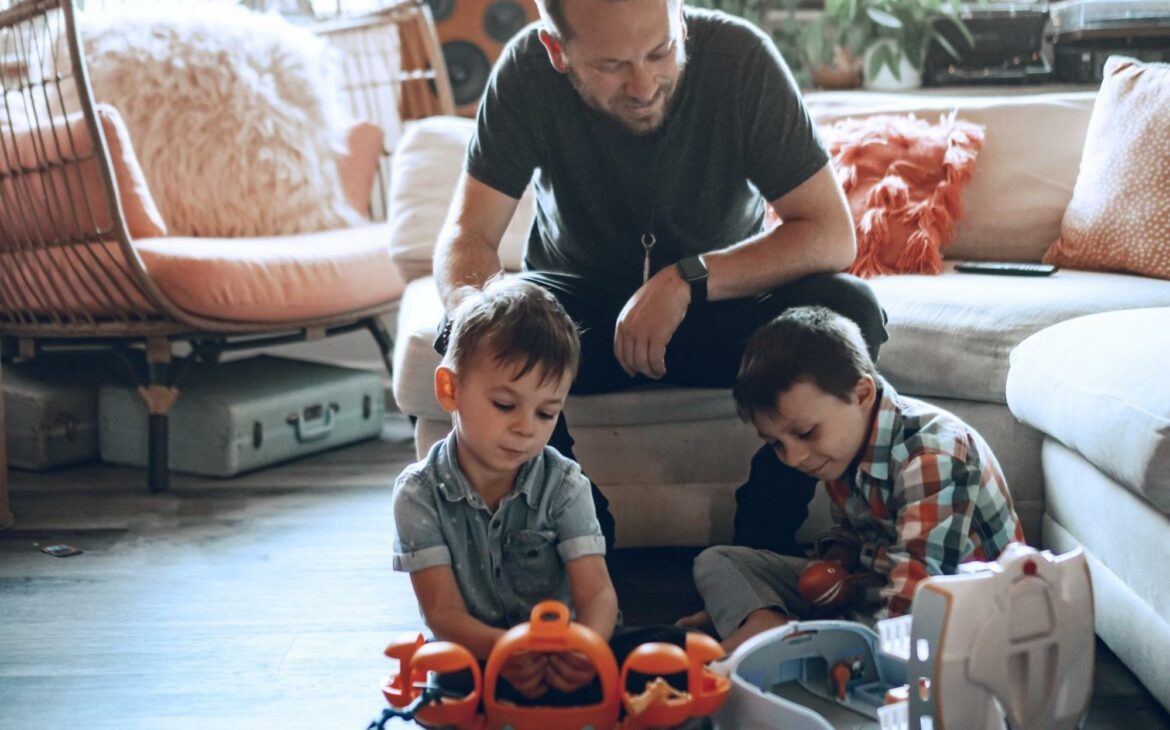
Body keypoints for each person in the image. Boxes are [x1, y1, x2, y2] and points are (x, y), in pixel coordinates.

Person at [432, 0, 889, 555]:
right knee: (471, 322)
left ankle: (763, 539)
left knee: (848, 309)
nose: (644, 85)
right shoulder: (524, 70)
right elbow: (468, 234)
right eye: (611, 66)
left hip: (719, 309)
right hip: (577, 330)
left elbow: (831, 234)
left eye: (661, 51)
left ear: (680, 20)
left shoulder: (740, 57)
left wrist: (687, 279)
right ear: (557, 51)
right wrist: (476, 322)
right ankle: (578, 538)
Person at [392, 278, 683, 705]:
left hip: (569, 649)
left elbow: (597, 594)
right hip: (480, 652)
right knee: (443, 684)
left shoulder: (564, 483)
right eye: (505, 405)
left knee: (665, 649)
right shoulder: (418, 494)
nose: (526, 428)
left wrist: (584, 648)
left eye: (547, 412)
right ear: (450, 389)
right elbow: (443, 613)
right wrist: (506, 651)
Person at [677, 306, 1024, 652]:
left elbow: (917, 596)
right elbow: (856, 533)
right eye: (776, 444)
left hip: (954, 617)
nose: (793, 458)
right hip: (878, 585)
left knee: (864, 645)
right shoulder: (846, 445)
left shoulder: (932, 456)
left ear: (861, 395)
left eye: (806, 433)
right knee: (719, 561)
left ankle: (782, 636)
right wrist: (837, 562)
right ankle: (763, 621)